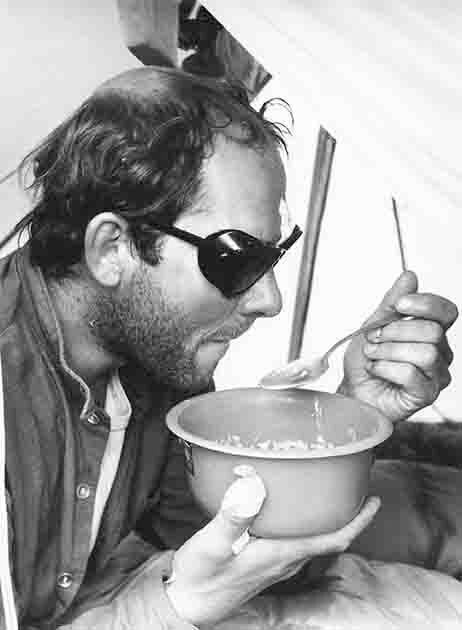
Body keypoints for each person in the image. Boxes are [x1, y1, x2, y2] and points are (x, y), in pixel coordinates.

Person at [0, 66, 457, 629]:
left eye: (273, 257)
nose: (270, 300)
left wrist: (354, 415)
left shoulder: (160, 365)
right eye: (238, 258)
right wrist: (169, 609)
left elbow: (245, 561)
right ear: (112, 248)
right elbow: (201, 590)